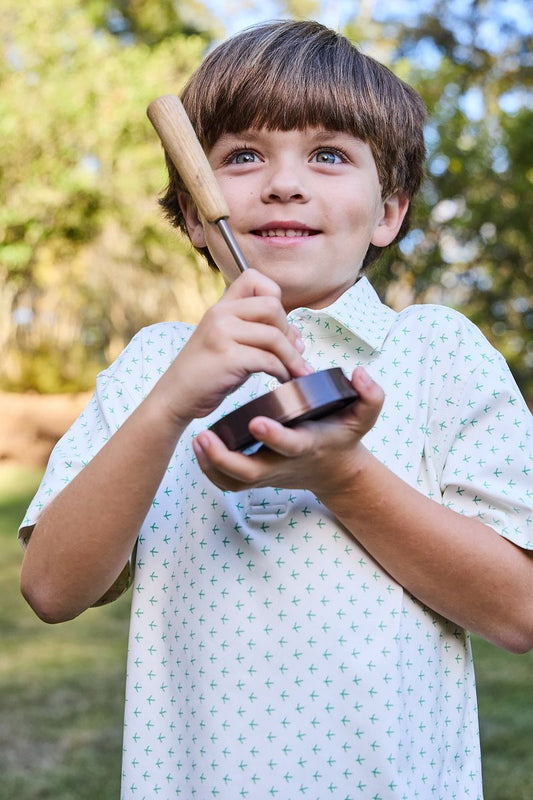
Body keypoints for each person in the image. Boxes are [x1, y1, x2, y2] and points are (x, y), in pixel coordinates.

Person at [19, 19, 532, 800]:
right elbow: (53, 591)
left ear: (388, 211)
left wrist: (342, 477)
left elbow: (518, 614)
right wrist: (167, 409)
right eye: (242, 156)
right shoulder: (156, 366)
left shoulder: (438, 353)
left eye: (327, 155)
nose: (284, 183)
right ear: (194, 213)